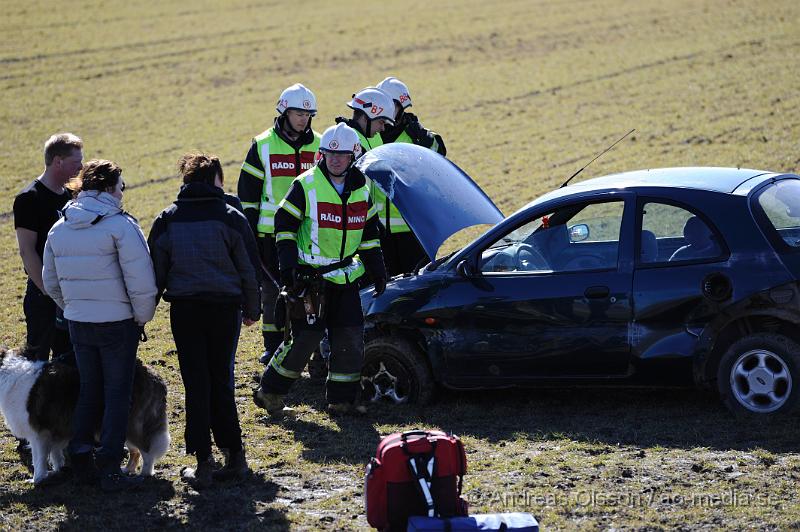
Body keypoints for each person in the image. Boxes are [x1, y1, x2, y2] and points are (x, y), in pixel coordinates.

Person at [254, 123, 387, 416]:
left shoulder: (363, 188)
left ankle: (341, 402)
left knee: (350, 340)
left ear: (353, 154)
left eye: (341, 154)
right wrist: (289, 268)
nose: (335, 159)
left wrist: (377, 269)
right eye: (329, 153)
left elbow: (369, 233)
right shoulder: (305, 185)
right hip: (310, 280)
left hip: (346, 278)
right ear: (322, 153)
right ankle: (270, 393)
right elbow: (284, 225)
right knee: (303, 341)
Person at [42, 159, 158, 491]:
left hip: (79, 322)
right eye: (121, 186)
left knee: (90, 390)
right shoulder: (120, 226)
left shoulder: (59, 226)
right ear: (108, 187)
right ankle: (109, 464)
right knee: (117, 393)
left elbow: (50, 281)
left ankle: (80, 455)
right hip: (117, 324)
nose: (123, 193)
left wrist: (72, 308)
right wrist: (142, 316)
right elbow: (141, 280)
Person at [149, 153, 260, 489]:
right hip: (224, 311)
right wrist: (253, 308)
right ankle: (235, 456)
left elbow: (156, 274)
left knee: (196, 384)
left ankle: (203, 462)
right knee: (222, 381)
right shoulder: (231, 217)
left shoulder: (168, 220)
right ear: (216, 181)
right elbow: (248, 268)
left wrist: (143, 313)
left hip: (186, 312)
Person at [238, 83, 321, 364]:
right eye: (299, 113)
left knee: (311, 292)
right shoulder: (262, 145)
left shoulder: (321, 145)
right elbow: (248, 196)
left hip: (309, 234)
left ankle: (311, 348)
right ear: (285, 111)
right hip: (269, 235)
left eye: (308, 114)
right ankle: (272, 347)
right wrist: (249, 232)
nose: (304, 119)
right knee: (272, 294)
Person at [14, 133, 83, 361]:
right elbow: (27, 251)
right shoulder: (29, 198)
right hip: (42, 294)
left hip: (71, 291)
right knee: (37, 363)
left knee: (69, 359)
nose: (81, 167)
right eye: (76, 162)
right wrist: (47, 290)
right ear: (58, 162)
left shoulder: (73, 197)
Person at [375, 77, 447, 275]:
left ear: (401, 107)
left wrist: (424, 138)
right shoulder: (372, 133)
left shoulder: (414, 135)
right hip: (379, 229)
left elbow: (440, 154)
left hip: (412, 228)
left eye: (393, 105)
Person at [334, 86, 395, 154]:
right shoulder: (345, 142)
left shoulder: (367, 138)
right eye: (381, 122)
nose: (383, 128)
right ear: (366, 117)